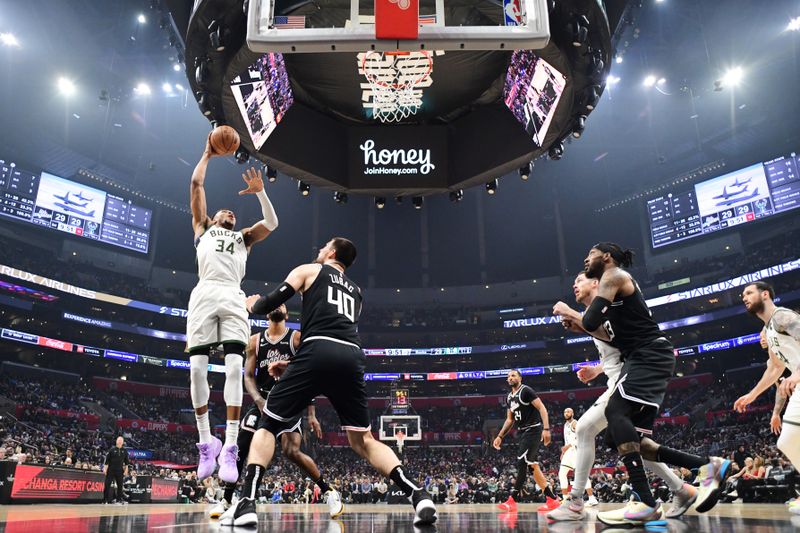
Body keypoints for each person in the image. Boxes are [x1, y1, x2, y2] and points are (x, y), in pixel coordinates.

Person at [228, 238, 437, 527]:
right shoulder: (357, 292)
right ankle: (419, 494)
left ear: (332, 252)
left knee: (269, 426)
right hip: (351, 356)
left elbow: (271, 301)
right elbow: (336, 335)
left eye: (324, 246)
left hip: (316, 350)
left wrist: (253, 304)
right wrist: (293, 364)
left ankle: (247, 503)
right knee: (364, 440)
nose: (319, 250)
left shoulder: (310, 270)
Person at [552, 243, 729, 526]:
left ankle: (645, 502)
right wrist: (590, 347)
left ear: (606, 258)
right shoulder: (612, 291)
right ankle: (702, 470)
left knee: (613, 415)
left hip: (649, 355)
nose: (586, 258)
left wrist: (572, 314)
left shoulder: (613, 276)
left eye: (591, 254)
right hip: (641, 358)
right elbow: (613, 336)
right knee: (626, 440)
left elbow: (593, 319)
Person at [187, 134, 279, 485]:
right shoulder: (202, 228)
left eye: (232, 212)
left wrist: (260, 192)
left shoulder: (244, 237)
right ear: (213, 218)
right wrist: (207, 152)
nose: (229, 212)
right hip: (205, 293)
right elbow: (196, 183)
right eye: (224, 210)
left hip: (233, 296)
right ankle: (204, 441)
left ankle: (228, 446)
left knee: (234, 368)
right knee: (197, 369)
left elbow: (270, 224)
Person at [213, 304, 342, 523]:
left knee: (291, 451)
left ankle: (328, 490)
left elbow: (309, 375)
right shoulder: (255, 341)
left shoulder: (296, 338)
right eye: (273, 304)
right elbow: (248, 376)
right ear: (266, 313)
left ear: (286, 312)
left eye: (280, 303)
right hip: (263, 400)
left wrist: (311, 413)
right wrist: (258, 400)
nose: (276, 306)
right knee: (243, 444)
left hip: (290, 401)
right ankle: (227, 499)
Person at [734, 280, 800, 514]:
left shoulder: (783, 317)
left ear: (765, 294)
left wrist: (798, 373)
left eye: (749, 292)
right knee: (786, 441)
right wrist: (752, 395)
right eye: (743, 294)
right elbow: (775, 368)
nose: (744, 297)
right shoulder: (769, 328)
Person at [493, 369, 559, 512]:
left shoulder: (526, 391)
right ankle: (552, 499)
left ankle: (512, 500)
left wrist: (546, 429)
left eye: (513, 375)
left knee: (522, 463)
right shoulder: (509, 397)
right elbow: (510, 419)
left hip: (534, 430)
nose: (510, 378)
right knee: (533, 467)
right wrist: (499, 436)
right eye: (508, 376)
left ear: (520, 378)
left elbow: (542, 408)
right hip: (523, 432)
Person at [557, 407, 599, 506]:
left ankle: (592, 498)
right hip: (568, 453)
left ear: (572, 413)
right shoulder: (565, 425)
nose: (566, 413)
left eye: (568, 412)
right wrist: (563, 452)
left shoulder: (575, 423)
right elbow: (566, 440)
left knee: (580, 475)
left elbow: (582, 437)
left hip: (576, 451)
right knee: (561, 474)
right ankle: (565, 498)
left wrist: (569, 445)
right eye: (564, 412)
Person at [103, 436, 130, 504]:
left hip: (120, 470)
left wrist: (126, 470)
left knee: (120, 485)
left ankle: (118, 500)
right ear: (116, 441)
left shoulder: (124, 451)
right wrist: (105, 468)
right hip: (111, 470)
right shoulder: (112, 449)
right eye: (118, 440)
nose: (120, 441)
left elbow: (126, 462)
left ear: (123, 442)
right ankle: (105, 500)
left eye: (121, 440)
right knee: (107, 485)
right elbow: (107, 460)